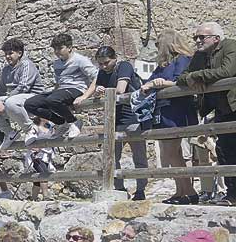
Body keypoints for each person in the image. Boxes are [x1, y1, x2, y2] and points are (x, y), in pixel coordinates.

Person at [176, 22, 236, 205]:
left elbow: (227, 71)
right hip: (222, 109)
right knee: (224, 151)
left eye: (202, 37)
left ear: (216, 39)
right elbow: (182, 77)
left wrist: (198, 76)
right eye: (196, 37)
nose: (198, 41)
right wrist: (194, 77)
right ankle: (232, 195)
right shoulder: (200, 56)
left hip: (234, 105)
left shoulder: (231, 46)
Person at [142, 30, 200, 203]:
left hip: (177, 110)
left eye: (159, 44)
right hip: (164, 111)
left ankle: (189, 192)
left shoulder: (182, 60)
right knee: (173, 153)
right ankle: (180, 191)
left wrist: (161, 83)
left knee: (172, 152)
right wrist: (152, 83)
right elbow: (149, 81)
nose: (157, 48)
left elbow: (181, 81)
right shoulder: (163, 65)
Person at [94, 46, 148, 200]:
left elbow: (120, 90)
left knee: (139, 157)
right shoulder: (102, 73)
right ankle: (119, 188)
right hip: (113, 120)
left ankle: (141, 190)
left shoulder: (124, 66)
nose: (104, 67)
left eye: (106, 63)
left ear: (114, 59)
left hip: (132, 118)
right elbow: (100, 89)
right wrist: (99, 90)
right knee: (111, 156)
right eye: (101, 64)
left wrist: (104, 91)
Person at [22, 33, 98, 143]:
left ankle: (73, 121)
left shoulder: (81, 60)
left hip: (76, 89)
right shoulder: (57, 63)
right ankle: (61, 122)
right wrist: (53, 93)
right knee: (29, 104)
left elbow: (97, 78)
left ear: (69, 47)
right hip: (61, 91)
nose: (57, 52)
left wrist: (84, 96)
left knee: (52, 99)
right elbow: (59, 82)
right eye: (55, 49)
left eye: (60, 48)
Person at [0, 38, 46, 149]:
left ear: (19, 53)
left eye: (10, 53)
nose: (8, 57)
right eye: (6, 54)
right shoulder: (6, 70)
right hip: (13, 100)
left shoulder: (26, 64)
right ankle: (10, 133)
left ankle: (30, 129)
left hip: (33, 97)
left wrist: (4, 103)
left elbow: (23, 87)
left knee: (11, 102)